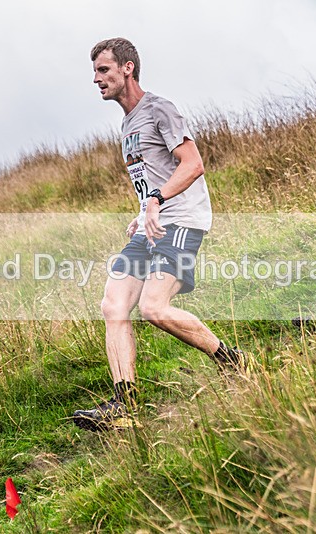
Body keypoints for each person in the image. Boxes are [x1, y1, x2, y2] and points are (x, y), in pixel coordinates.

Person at [72, 38, 245, 432]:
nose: (96, 79)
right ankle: (125, 406)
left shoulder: (159, 109)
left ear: (127, 68)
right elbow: (152, 177)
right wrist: (142, 212)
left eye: (103, 70)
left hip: (181, 220)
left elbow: (193, 164)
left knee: (153, 309)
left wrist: (155, 200)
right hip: (151, 223)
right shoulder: (127, 124)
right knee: (113, 305)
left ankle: (232, 361)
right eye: (95, 71)